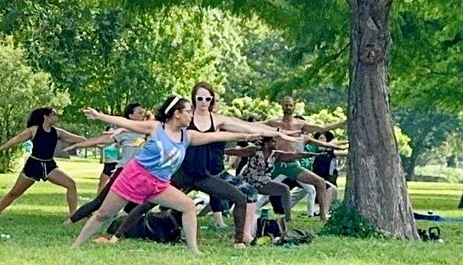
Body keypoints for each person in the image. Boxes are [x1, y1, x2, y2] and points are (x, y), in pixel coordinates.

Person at [70, 96, 272, 255]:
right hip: (135, 176)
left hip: (159, 183)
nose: (191, 116)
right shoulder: (155, 127)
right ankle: (76, 246)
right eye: (188, 112)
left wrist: (246, 135)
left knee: (188, 206)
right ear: (176, 114)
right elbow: (126, 122)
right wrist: (100, 116)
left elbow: (217, 135)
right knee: (103, 214)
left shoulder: (187, 136)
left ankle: (194, 250)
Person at [0, 106, 85, 217]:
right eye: (54, 115)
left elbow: (77, 139)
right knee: (15, 193)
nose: (56, 117)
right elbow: (15, 140)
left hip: (49, 165)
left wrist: (97, 142)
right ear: (46, 117)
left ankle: (73, 216)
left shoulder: (58, 132)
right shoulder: (34, 130)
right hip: (33, 165)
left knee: (71, 184)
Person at [66, 103, 149, 224]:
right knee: (100, 200)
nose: (143, 115)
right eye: (139, 113)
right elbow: (100, 140)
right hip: (124, 171)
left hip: (142, 173)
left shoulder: (147, 130)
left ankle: (126, 223)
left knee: (141, 200)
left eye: (143, 112)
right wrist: (78, 145)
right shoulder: (122, 133)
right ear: (131, 116)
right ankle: (70, 221)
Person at [264, 96, 344, 221]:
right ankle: (247, 210)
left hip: (293, 165)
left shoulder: (300, 124)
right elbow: (254, 127)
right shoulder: (274, 123)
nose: (288, 107)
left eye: (290, 105)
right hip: (276, 163)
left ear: (294, 106)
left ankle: (323, 217)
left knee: (320, 182)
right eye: (286, 105)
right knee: (258, 186)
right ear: (282, 105)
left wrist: (343, 123)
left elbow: (322, 128)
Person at [225, 136, 317, 239]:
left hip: (264, 183)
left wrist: (313, 154)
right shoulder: (254, 150)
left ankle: (288, 218)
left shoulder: (276, 155)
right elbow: (236, 152)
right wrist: (221, 151)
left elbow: (294, 155)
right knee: (226, 197)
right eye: (273, 141)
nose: (276, 143)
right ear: (266, 143)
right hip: (247, 182)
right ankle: (217, 214)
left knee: (284, 189)